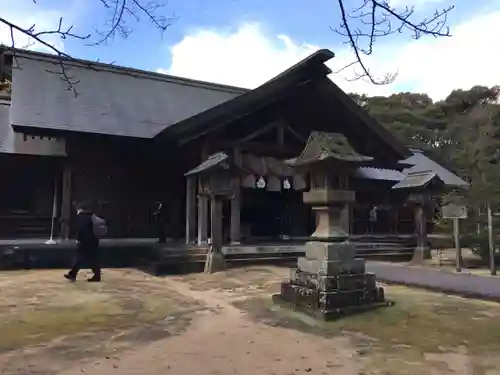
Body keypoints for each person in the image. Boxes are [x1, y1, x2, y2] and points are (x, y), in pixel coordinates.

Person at [64, 202, 101, 282]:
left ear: (79, 209)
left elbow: (81, 230)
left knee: (81, 257)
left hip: (85, 241)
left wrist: (78, 239)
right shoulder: (91, 216)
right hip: (94, 241)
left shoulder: (81, 217)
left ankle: (73, 274)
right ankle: (73, 274)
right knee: (91, 258)